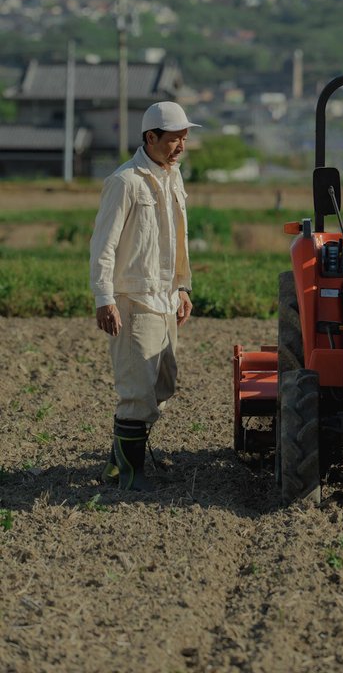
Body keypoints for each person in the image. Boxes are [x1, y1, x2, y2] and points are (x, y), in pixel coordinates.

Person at [89, 100, 200, 490]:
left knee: (163, 383)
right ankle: (129, 475)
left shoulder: (173, 178)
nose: (181, 146)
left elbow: (178, 240)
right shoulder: (125, 182)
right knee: (137, 390)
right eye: (174, 139)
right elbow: (103, 244)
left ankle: (120, 459)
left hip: (166, 298)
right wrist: (104, 298)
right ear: (151, 138)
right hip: (133, 299)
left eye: (185, 138)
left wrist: (182, 288)